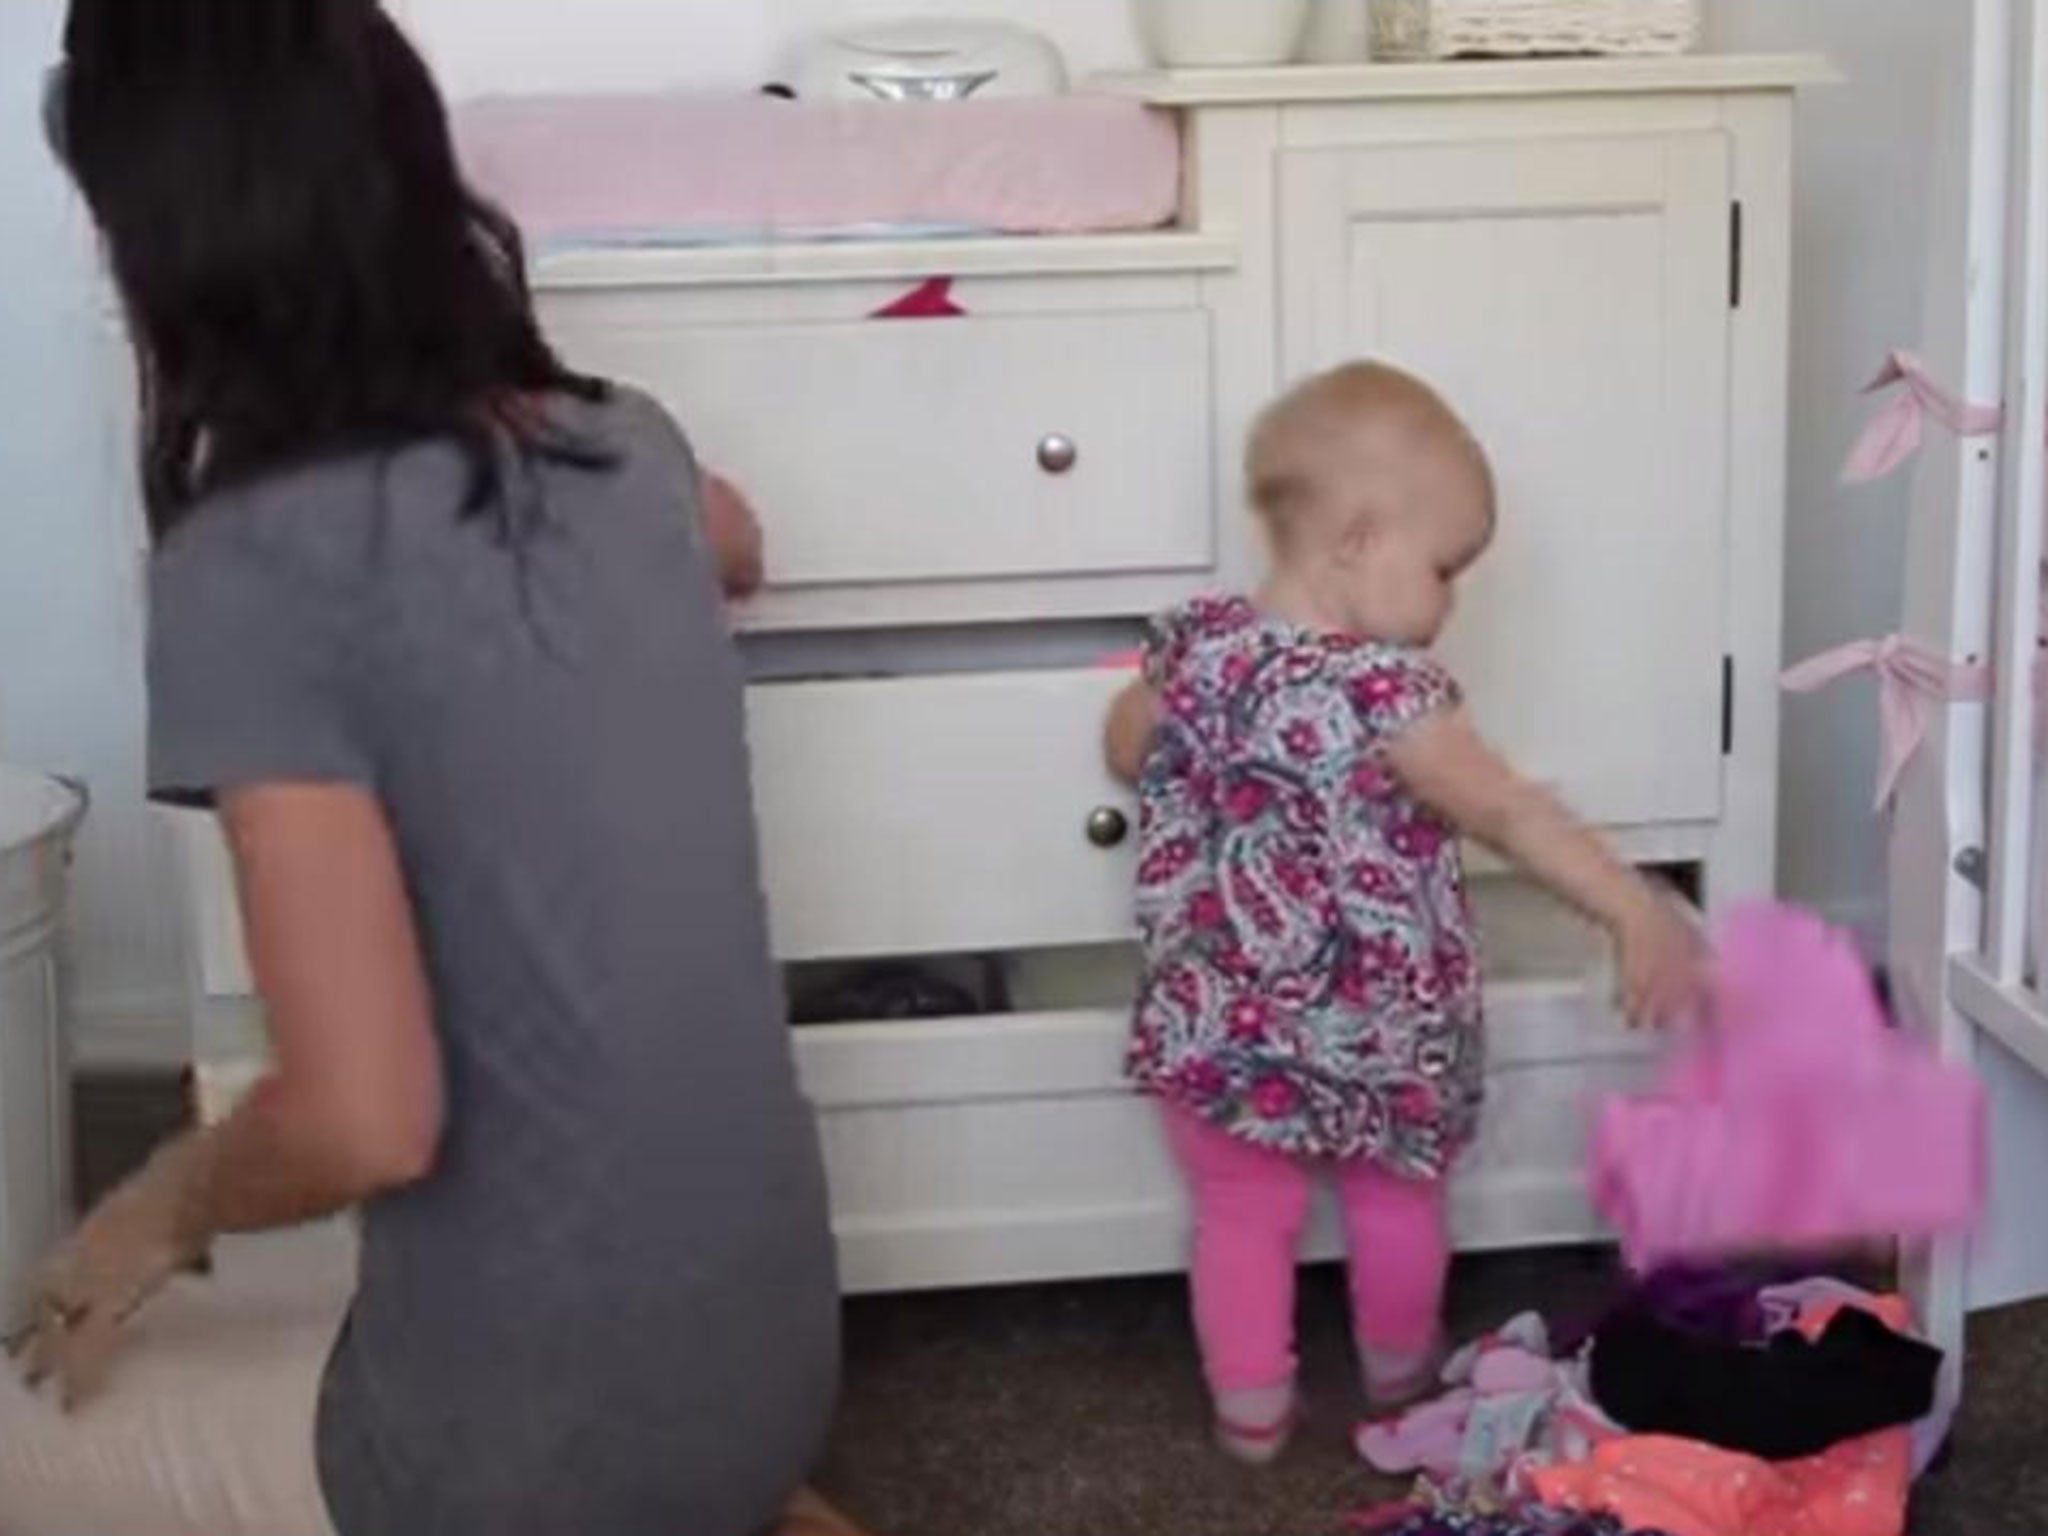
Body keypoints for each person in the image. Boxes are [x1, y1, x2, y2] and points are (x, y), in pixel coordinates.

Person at [5, 3, 859, 1533]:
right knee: (317, 1281)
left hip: (531, 1464)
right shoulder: (633, 450)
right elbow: (739, 537)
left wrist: (151, 1206)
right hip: (778, 1365)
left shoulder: (252, 565)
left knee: (21, 1422)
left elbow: (363, 1121)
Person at [1103, 361, 1704, 1465]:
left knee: (1238, 1214)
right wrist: (1631, 907)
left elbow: (1123, 747)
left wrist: (1172, 710)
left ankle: (1249, 1414)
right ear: (1356, 541)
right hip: (1378, 1026)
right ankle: (1395, 1377)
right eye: (1443, 568)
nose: (1451, 600)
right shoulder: (1387, 695)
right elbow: (1511, 815)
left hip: (1213, 1013)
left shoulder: (1192, 648)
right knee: (1394, 1202)